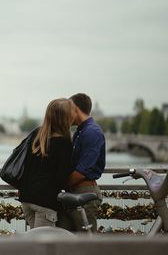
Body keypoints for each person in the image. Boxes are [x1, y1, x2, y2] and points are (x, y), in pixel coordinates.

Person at [18, 98, 75, 229]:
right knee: (41, 247)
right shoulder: (64, 143)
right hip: (45, 202)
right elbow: (62, 177)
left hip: (27, 198)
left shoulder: (37, 136)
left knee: (34, 242)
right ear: (67, 118)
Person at [57, 93, 106, 232]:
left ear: (75, 108)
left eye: (68, 109)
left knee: (86, 243)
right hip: (75, 191)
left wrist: (59, 185)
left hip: (83, 191)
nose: (66, 114)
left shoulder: (92, 132)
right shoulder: (81, 131)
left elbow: (82, 171)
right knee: (68, 239)